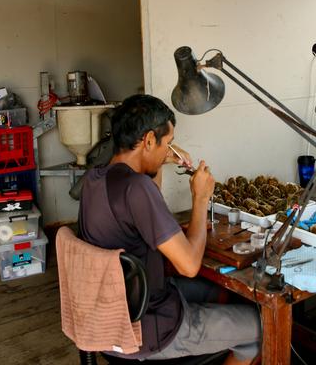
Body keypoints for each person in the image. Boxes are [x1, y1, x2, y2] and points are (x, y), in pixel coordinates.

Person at [78, 94, 260, 364]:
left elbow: (145, 202)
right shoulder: (137, 188)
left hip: (112, 315)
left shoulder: (95, 180)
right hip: (149, 328)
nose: (170, 151)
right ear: (149, 140)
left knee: (225, 294)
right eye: (169, 144)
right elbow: (188, 265)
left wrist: (160, 160)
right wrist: (200, 199)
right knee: (261, 326)